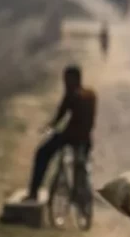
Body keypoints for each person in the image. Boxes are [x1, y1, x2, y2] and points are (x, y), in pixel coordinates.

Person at [26, 66, 97, 202]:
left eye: (67, 79)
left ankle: (33, 192)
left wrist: (49, 127)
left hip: (70, 137)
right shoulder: (91, 95)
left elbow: (60, 116)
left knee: (42, 153)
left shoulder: (72, 95)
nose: (65, 82)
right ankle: (81, 190)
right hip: (86, 140)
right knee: (81, 164)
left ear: (74, 79)